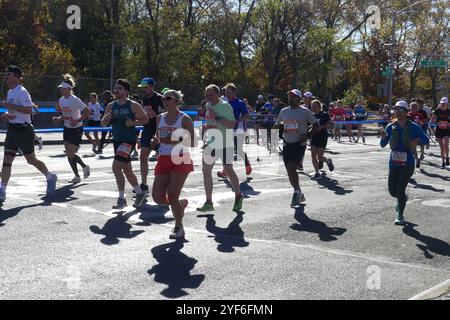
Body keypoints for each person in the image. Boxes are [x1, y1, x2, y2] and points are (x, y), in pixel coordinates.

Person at [0, 65, 57, 204]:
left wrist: (11, 107)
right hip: (12, 130)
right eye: (6, 74)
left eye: (9, 74)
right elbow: (15, 112)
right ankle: (2, 190)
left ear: (17, 77)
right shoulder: (11, 92)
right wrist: (7, 115)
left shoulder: (22, 92)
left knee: (31, 160)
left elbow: (29, 110)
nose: (6, 77)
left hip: (25, 130)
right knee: (7, 160)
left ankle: (50, 177)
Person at [151, 89, 195, 239]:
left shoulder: (184, 119)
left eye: (168, 98)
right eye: (163, 98)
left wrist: (172, 140)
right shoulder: (159, 118)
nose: (165, 101)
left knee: (172, 194)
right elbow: (158, 137)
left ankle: (179, 227)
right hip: (163, 157)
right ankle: (180, 204)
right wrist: (153, 143)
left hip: (180, 157)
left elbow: (193, 141)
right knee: (157, 197)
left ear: (177, 101)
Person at [101, 79, 149, 209]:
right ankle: (140, 193)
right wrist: (106, 119)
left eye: (119, 88)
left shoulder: (133, 105)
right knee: (127, 171)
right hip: (117, 140)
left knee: (116, 168)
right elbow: (103, 123)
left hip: (128, 140)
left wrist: (133, 123)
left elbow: (145, 119)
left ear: (127, 91)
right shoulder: (110, 106)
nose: (116, 90)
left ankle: (121, 199)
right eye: (115, 88)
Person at [379, 101, 429, 225]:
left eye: (400, 110)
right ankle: (402, 199)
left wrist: (415, 140)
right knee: (392, 191)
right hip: (394, 163)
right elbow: (382, 144)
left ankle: (400, 214)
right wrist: (383, 136)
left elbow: (426, 139)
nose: (397, 112)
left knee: (400, 189)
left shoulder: (413, 126)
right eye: (396, 110)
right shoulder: (391, 126)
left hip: (408, 163)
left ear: (406, 112)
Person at [197, 84, 244, 212]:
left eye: (210, 95)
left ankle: (238, 195)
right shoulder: (208, 105)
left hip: (225, 142)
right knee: (206, 171)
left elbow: (231, 125)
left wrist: (216, 117)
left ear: (218, 94)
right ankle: (208, 202)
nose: (208, 97)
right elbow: (210, 122)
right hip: (211, 142)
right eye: (206, 95)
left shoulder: (225, 106)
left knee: (228, 170)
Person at [275, 89, 319, 207]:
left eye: (293, 96)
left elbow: (316, 125)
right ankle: (299, 192)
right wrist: (278, 128)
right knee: (289, 171)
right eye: (289, 96)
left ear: (299, 99)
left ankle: (296, 192)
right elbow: (278, 124)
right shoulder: (284, 111)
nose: (290, 98)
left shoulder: (305, 112)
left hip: (299, 144)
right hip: (286, 144)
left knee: (291, 167)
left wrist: (308, 135)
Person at [52, 74, 91, 184]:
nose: (61, 90)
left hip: (77, 129)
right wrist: (58, 119)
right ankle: (77, 176)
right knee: (69, 154)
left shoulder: (75, 100)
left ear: (69, 89)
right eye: (61, 89)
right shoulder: (61, 100)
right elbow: (65, 115)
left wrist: (77, 120)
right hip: (67, 128)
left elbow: (87, 111)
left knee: (70, 153)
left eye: (63, 89)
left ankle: (84, 166)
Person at [217, 83, 252, 179]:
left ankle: (247, 163)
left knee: (239, 150)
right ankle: (225, 171)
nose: (227, 94)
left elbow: (246, 115)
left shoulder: (240, 103)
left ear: (234, 92)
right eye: (226, 92)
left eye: (229, 92)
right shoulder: (224, 103)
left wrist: (239, 120)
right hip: (227, 129)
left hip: (238, 129)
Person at [137, 77, 165, 197]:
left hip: (159, 130)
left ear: (152, 86)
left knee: (164, 159)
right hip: (147, 130)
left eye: (145, 87)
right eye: (142, 87)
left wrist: (157, 115)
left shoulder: (159, 98)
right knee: (143, 157)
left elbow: (167, 113)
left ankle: (165, 186)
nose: (143, 89)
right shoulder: (144, 99)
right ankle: (144, 185)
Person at [310, 100, 334, 179]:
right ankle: (317, 172)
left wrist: (322, 127)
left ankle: (328, 161)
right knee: (313, 154)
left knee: (319, 157)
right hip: (314, 136)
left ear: (319, 107)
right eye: (312, 106)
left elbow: (331, 124)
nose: (313, 108)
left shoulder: (324, 115)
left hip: (322, 136)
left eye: (315, 106)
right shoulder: (311, 115)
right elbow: (309, 125)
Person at [430, 97, 449, 168]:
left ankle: (447, 157)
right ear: (440, 103)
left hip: (447, 130)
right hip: (439, 130)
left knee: (446, 145)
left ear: (447, 104)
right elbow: (432, 121)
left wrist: (448, 124)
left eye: (444, 103)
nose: (443, 105)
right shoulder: (437, 111)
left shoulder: (449, 111)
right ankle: (443, 162)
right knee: (441, 147)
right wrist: (437, 123)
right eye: (442, 103)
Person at [407, 102, 426, 168]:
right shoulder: (408, 115)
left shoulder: (419, 115)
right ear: (410, 108)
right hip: (411, 133)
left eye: (415, 107)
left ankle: (422, 154)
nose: (413, 109)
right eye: (412, 107)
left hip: (418, 132)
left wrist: (421, 124)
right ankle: (417, 159)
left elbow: (423, 122)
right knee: (413, 147)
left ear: (417, 108)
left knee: (422, 143)